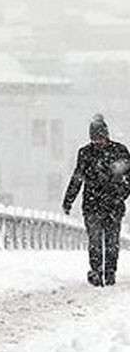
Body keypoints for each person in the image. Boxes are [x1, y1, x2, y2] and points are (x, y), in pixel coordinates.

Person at [62, 114, 130, 287]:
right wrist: (69, 200)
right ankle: (96, 272)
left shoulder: (120, 151)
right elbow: (77, 178)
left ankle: (110, 272)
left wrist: (121, 195)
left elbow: (128, 177)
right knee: (95, 241)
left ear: (107, 135)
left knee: (111, 241)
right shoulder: (85, 153)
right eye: (95, 139)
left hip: (112, 204)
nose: (98, 142)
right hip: (93, 205)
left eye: (100, 138)